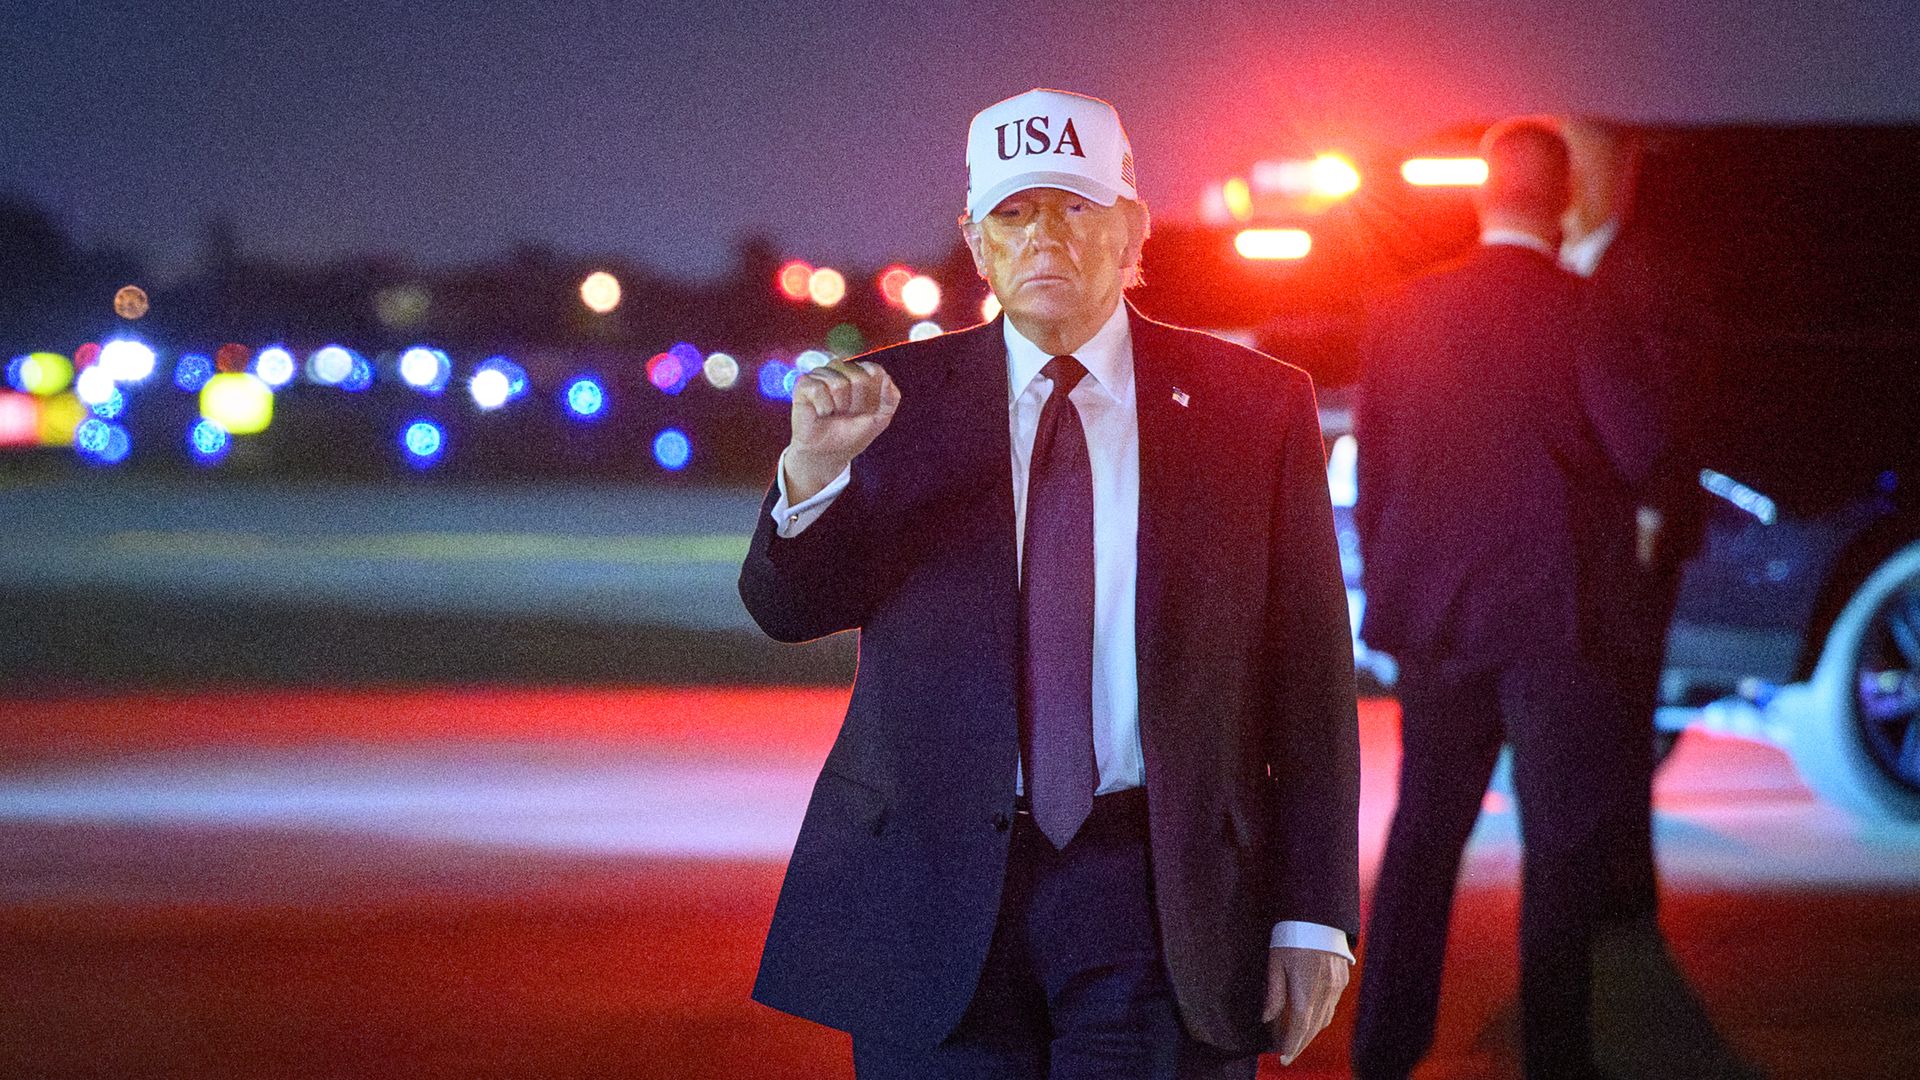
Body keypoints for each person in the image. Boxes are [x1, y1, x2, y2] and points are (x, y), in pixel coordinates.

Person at [738, 87, 1361, 1079]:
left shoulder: (1256, 407)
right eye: (1016, 214)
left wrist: (1314, 910)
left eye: (1076, 208)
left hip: (1159, 887)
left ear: (1134, 229)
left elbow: (1312, 682)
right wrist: (813, 476)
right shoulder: (894, 405)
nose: (1046, 240)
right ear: (977, 243)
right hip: (934, 886)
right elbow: (788, 610)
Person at [1349, 117, 1672, 1080]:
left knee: (1423, 835)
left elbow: (1379, 472)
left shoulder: (1403, 309)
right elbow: (1645, 450)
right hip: (1555, 622)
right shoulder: (1585, 310)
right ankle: (1556, 1058)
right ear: (1565, 197)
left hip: (1441, 621)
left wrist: (1401, 592)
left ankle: (1383, 1047)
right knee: (1558, 844)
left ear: (1481, 196)